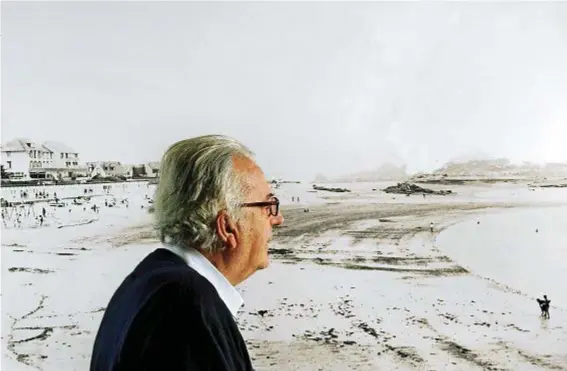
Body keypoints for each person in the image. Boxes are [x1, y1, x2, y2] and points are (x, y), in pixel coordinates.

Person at [90, 135, 284, 371]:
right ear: (227, 227)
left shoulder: (149, 278)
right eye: (267, 206)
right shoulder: (186, 305)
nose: (277, 219)